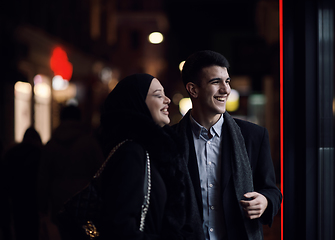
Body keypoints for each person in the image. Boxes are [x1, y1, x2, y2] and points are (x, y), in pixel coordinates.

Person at [173, 50, 282, 240]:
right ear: (193, 89)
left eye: (227, 81)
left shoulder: (254, 136)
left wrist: (265, 201)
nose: (226, 90)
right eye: (216, 82)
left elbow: (272, 191)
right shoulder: (169, 140)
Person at [98, 73, 204, 239]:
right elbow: (120, 230)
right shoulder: (131, 154)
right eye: (158, 95)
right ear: (137, 102)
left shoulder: (155, 152)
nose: (167, 100)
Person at [38, 105, 104, 239]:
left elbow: (43, 177)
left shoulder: (52, 145)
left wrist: (42, 206)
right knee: (87, 234)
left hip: (58, 200)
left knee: (64, 233)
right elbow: (101, 171)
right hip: (84, 200)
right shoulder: (89, 142)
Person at [3, 127, 43, 240]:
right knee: (33, 228)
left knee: (20, 227)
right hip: (33, 197)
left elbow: (5, 178)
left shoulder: (12, 152)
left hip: (17, 197)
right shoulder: (40, 153)